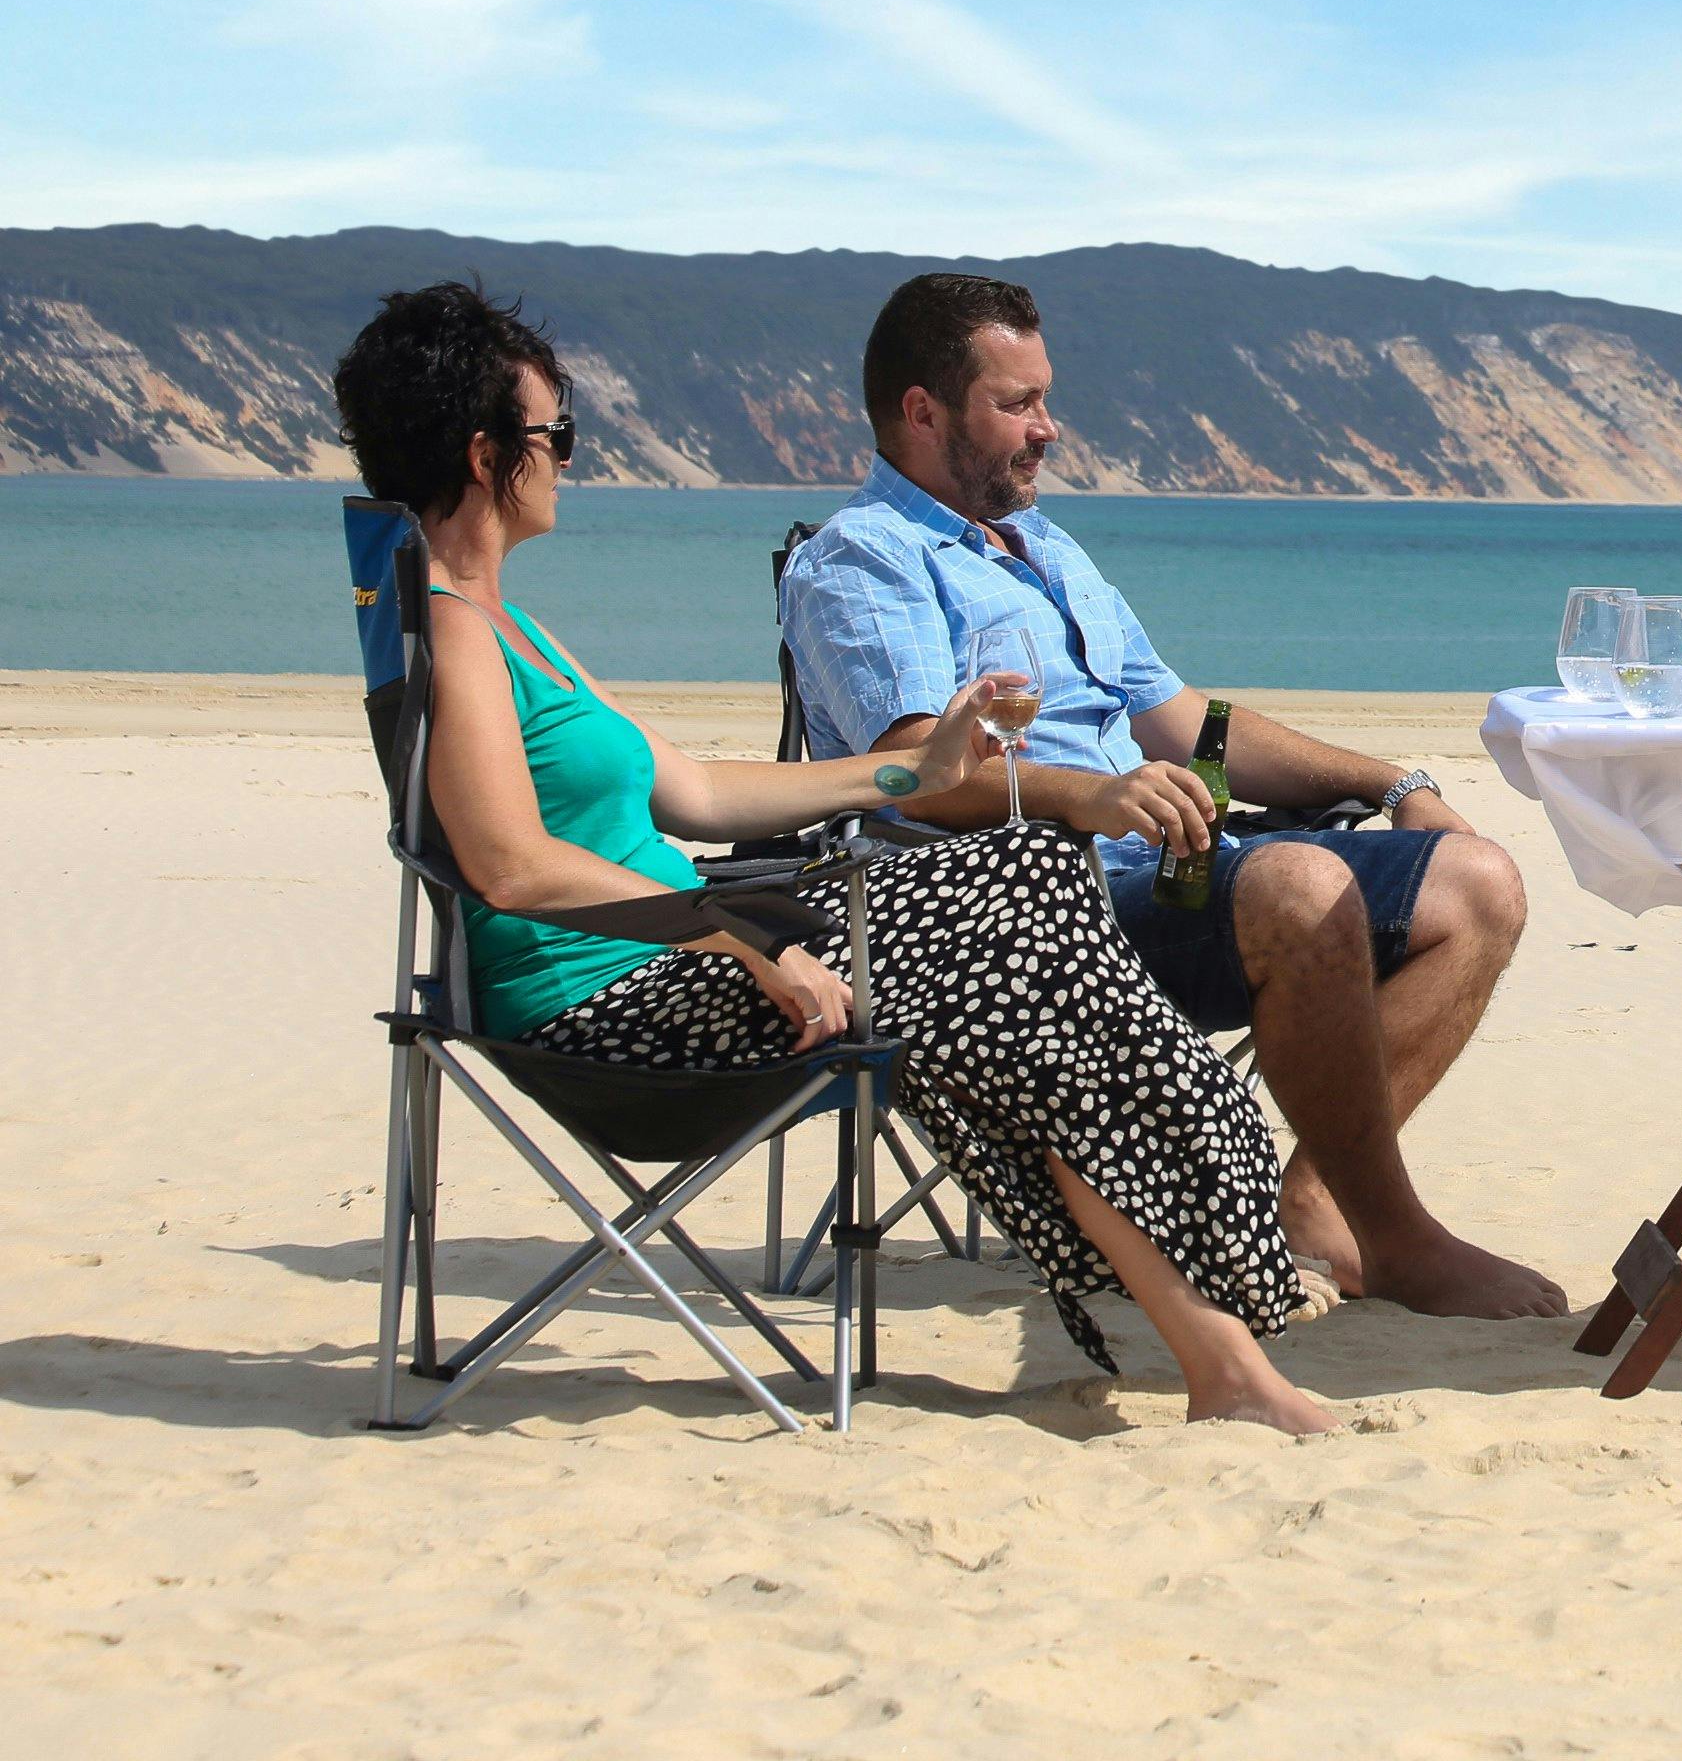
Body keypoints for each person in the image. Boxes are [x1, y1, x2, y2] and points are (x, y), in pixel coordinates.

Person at [337, 282, 1338, 1431]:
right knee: (1021, 920)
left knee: (1030, 905)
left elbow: (702, 793)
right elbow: (512, 868)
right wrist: (746, 933)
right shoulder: (457, 630)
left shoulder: (506, 623)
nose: (567, 456)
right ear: (485, 453)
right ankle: (1230, 1270)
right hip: (611, 1009)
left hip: (685, 958)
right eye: (554, 434)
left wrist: (915, 771)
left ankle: (1221, 1344)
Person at [781, 273, 1565, 1321]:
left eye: (1043, 399)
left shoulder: (1045, 546)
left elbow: (1192, 726)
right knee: (1296, 883)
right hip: (1009, 914)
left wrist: (1395, 781)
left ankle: (1318, 1201)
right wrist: (1086, 796)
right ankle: (1401, 1235)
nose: (1048, 427)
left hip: (1155, 875)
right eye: (1017, 404)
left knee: (1478, 881)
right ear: (923, 410)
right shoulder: (863, 559)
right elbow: (913, 770)